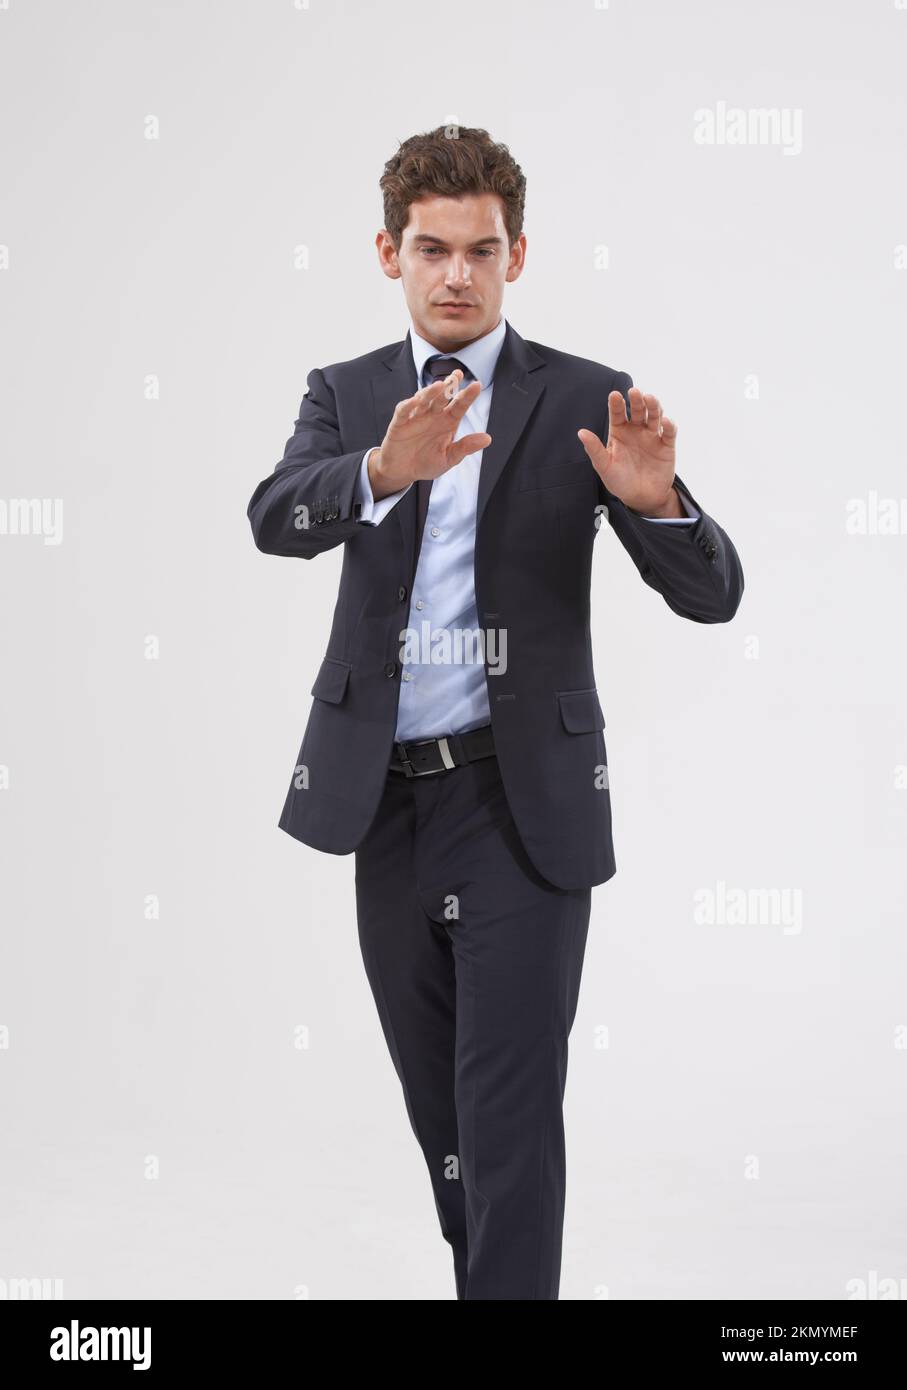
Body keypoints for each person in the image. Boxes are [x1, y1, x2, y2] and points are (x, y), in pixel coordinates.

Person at [247, 125, 744, 1300]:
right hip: (384, 804)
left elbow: (713, 596)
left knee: (508, 1116)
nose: (456, 273)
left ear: (517, 254)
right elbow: (275, 517)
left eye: (481, 249)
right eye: (432, 249)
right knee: (449, 1124)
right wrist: (378, 470)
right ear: (389, 253)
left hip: (521, 805)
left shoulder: (583, 397)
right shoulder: (348, 394)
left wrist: (657, 499)